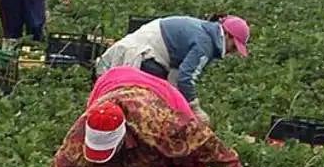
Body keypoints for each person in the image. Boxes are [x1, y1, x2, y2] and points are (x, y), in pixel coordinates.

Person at [33, 67, 253, 167]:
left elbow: (199, 137)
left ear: (123, 136)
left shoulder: (159, 123)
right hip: (112, 85)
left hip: (159, 96)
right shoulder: (77, 139)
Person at [94, 15, 250, 120]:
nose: (233, 51)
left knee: (166, 99)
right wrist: (194, 108)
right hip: (143, 54)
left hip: (148, 50)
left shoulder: (206, 33)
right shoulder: (205, 44)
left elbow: (177, 72)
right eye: (234, 46)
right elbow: (186, 77)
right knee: (150, 102)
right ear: (227, 36)